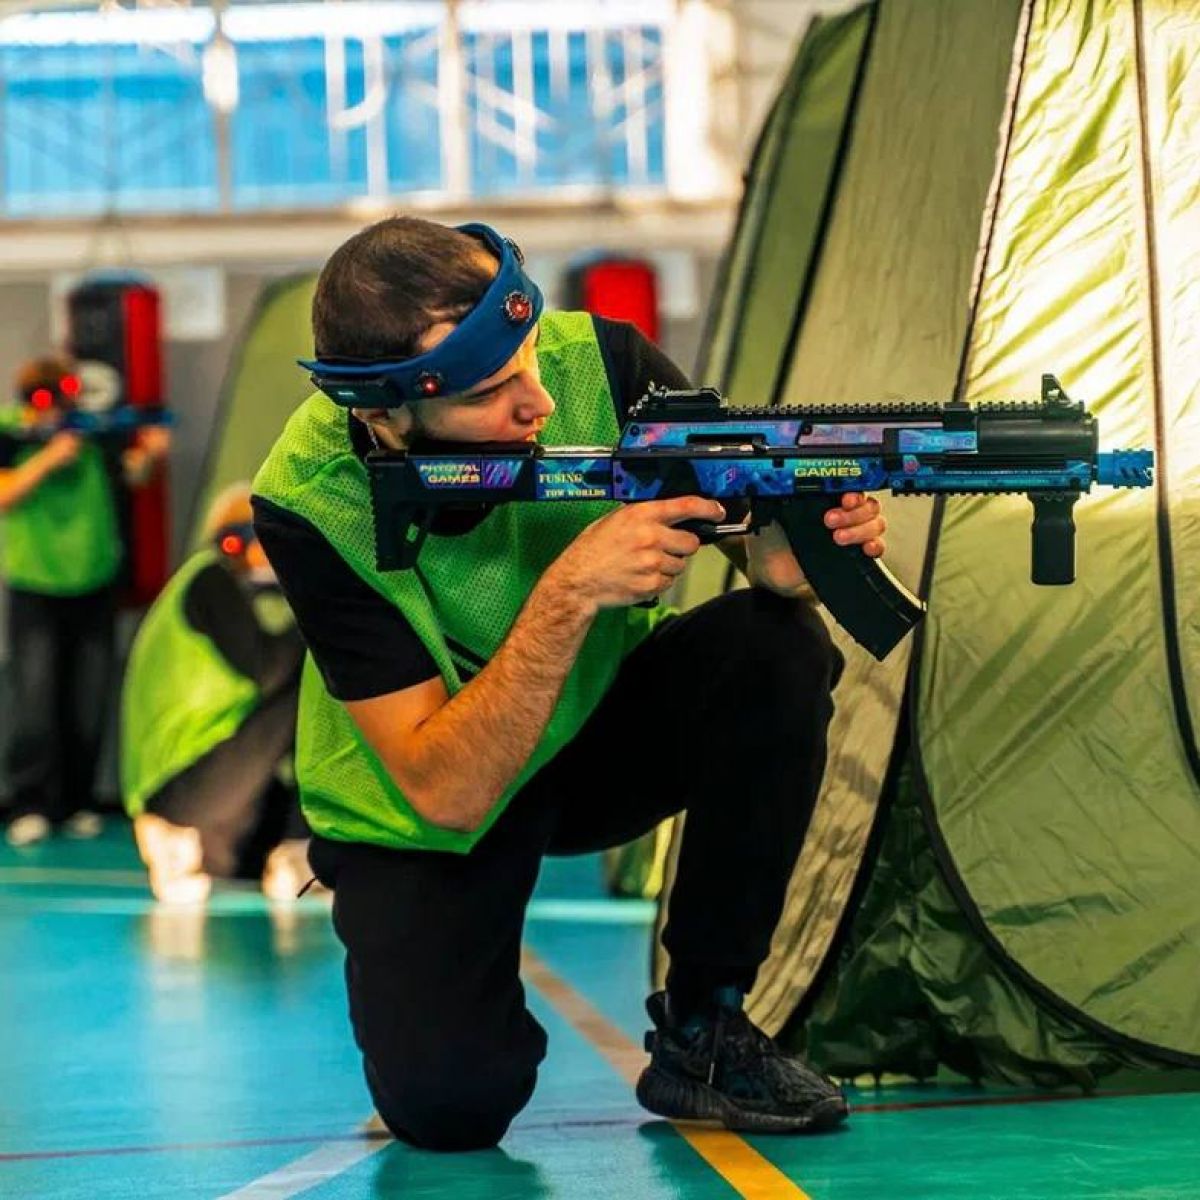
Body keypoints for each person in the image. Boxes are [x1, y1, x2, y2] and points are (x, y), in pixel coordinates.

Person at [251, 217, 889, 1151]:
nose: (541, 400)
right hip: (429, 795)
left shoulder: (607, 362)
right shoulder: (312, 500)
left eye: (529, 354)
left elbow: (758, 541)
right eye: (493, 390)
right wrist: (572, 588)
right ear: (386, 415)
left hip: (593, 732)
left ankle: (706, 1024)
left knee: (776, 646)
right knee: (452, 1107)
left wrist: (792, 551)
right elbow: (449, 791)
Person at [0, 352, 170, 847]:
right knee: (35, 699)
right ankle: (30, 803)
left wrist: (152, 454)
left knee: (88, 699)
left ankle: (75, 801)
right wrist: (50, 457)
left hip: (95, 579)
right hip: (35, 582)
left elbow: (134, 475)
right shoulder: (13, 433)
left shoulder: (93, 432)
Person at [121, 484, 309, 904]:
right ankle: (297, 850)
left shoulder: (202, 583)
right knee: (310, 686)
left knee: (246, 861)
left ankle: (283, 847)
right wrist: (318, 608)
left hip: (193, 787)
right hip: (182, 784)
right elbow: (268, 667)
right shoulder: (209, 579)